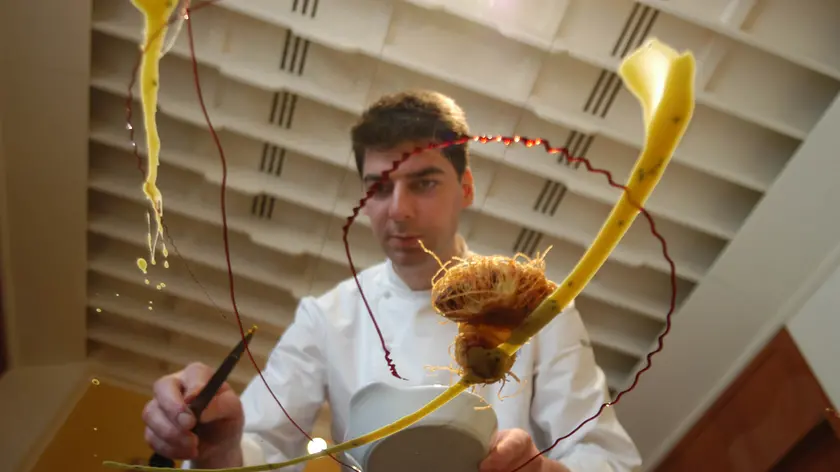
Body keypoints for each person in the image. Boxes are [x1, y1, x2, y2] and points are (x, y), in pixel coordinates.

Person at [141, 90, 643, 472]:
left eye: (424, 182)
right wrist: (221, 448)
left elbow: (608, 458)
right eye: (379, 189)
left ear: (466, 187)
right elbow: (262, 446)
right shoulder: (327, 319)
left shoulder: (540, 311)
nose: (398, 211)